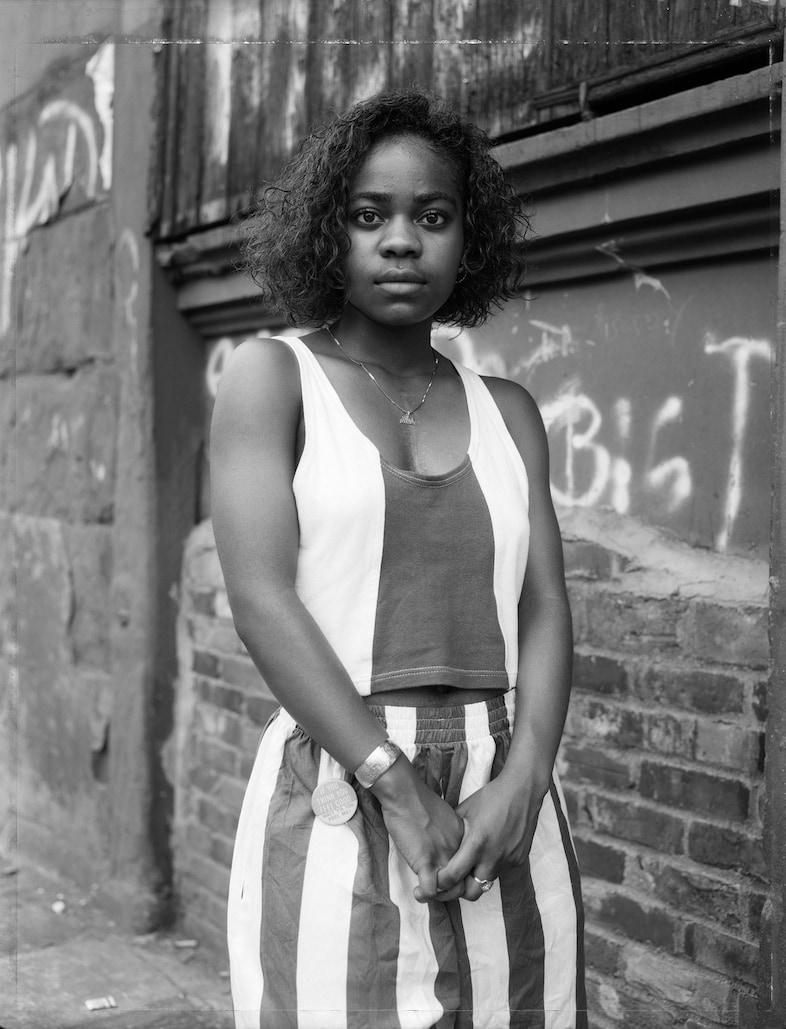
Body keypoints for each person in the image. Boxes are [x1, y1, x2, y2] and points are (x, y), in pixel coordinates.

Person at [211, 89, 586, 1029]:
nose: (402, 241)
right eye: (368, 215)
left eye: (434, 216)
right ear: (324, 232)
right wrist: (396, 781)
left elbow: (543, 602)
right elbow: (261, 598)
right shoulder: (273, 378)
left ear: (470, 240)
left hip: (503, 801)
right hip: (341, 783)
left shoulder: (509, 410)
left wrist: (527, 777)